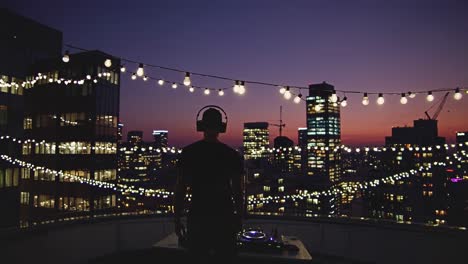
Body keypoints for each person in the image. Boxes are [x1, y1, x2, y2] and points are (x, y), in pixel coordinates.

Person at [174, 106, 244, 264]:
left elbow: (180, 188)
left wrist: (177, 218)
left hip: (198, 216)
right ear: (222, 127)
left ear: (200, 126)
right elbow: (238, 191)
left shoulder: (189, 153)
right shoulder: (231, 155)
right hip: (224, 216)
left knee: (197, 257)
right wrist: (239, 217)